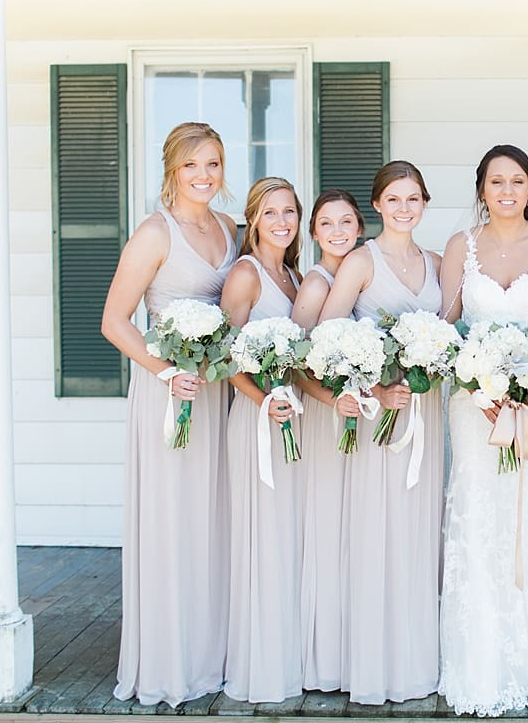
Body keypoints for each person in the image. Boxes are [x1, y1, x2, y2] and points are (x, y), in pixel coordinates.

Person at [438, 144, 528, 716]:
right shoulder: (460, 245)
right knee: (479, 515)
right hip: (473, 407)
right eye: (496, 181)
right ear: (481, 189)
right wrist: (479, 386)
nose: (506, 190)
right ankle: (482, 666)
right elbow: (447, 325)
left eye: (517, 181)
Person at [101, 121, 237, 707]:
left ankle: (212, 656)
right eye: (191, 165)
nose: (203, 176)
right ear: (172, 171)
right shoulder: (154, 233)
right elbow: (114, 321)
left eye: (212, 164)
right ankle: (168, 663)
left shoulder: (229, 227)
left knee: (214, 520)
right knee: (173, 519)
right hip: (170, 393)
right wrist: (165, 373)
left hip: (216, 392)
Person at [318, 161, 444, 705]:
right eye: (393, 199)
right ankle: (374, 665)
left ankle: (414, 661)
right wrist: (374, 389)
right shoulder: (360, 262)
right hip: (379, 420)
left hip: (426, 416)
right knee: (378, 534)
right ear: (377, 205)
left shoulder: (437, 263)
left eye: (413, 198)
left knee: (417, 533)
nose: (403, 208)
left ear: (424, 203)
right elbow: (326, 339)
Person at [219, 177, 304, 702]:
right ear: (253, 219)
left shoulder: (294, 275)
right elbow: (226, 355)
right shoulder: (246, 274)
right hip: (258, 420)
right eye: (270, 212)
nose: (281, 221)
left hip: (293, 418)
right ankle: (262, 665)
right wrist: (262, 400)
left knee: (289, 537)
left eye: (289, 211)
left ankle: (292, 653)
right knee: (263, 538)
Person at [290, 188, 365, 692]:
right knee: (328, 531)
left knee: (347, 534)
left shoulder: (354, 275)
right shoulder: (317, 284)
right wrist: (332, 400)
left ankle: (348, 648)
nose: (337, 232)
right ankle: (323, 658)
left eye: (346, 222)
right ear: (314, 232)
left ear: (359, 227)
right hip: (325, 419)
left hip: (349, 416)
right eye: (326, 224)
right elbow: (296, 365)